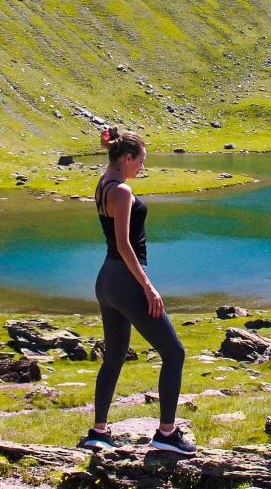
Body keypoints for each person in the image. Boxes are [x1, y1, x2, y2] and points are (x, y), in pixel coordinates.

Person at [81, 126, 196, 455]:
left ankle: (98, 431)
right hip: (126, 281)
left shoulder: (104, 182)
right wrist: (148, 287)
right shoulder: (123, 192)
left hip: (106, 280)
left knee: (115, 357)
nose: (142, 167)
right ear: (128, 158)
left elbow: (111, 158)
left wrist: (109, 143)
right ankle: (166, 434)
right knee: (174, 354)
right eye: (140, 160)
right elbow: (124, 244)